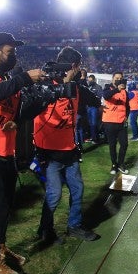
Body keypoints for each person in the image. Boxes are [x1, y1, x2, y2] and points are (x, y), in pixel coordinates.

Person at [0, 32, 47, 274]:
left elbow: (15, 111)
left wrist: (19, 116)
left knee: (4, 207)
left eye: (14, 50)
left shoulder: (7, 79)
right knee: (0, 207)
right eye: (9, 50)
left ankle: (1, 248)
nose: (13, 54)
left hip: (6, 153)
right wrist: (24, 78)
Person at [31, 47, 100, 244]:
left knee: (77, 189)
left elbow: (94, 99)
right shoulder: (44, 85)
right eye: (78, 67)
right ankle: (45, 230)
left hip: (69, 150)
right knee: (54, 194)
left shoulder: (77, 88)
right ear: (75, 66)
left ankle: (74, 226)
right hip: (49, 152)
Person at [102, 71, 130, 175]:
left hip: (121, 122)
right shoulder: (107, 87)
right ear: (112, 79)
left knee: (124, 144)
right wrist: (117, 89)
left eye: (120, 78)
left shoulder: (125, 92)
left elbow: (127, 106)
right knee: (112, 145)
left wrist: (126, 116)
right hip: (109, 121)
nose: (118, 79)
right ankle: (114, 164)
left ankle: (121, 163)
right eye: (116, 78)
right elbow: (105, 96)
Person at [86, 74, 103, 142]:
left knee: (94, 123)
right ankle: (92, 136)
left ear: (94, 80)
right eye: (89, 80)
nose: (89, 81)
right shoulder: (88, 87)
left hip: (94, 108)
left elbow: (99, 96)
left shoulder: (98, 87)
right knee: (90, 123)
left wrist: (92, 98)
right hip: (88, 107)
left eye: (91, 80)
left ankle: (95, 138)